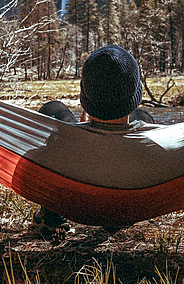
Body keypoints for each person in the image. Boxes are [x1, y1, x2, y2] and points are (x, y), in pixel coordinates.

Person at [32, 44, 155, 231]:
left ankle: (51, 216)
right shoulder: (153, 139)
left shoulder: (67, 142)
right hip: (124, 204)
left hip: (75, 201)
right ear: (135, 96)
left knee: (54, 108)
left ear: (85, 97)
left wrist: (75, 132)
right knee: (143, 115)